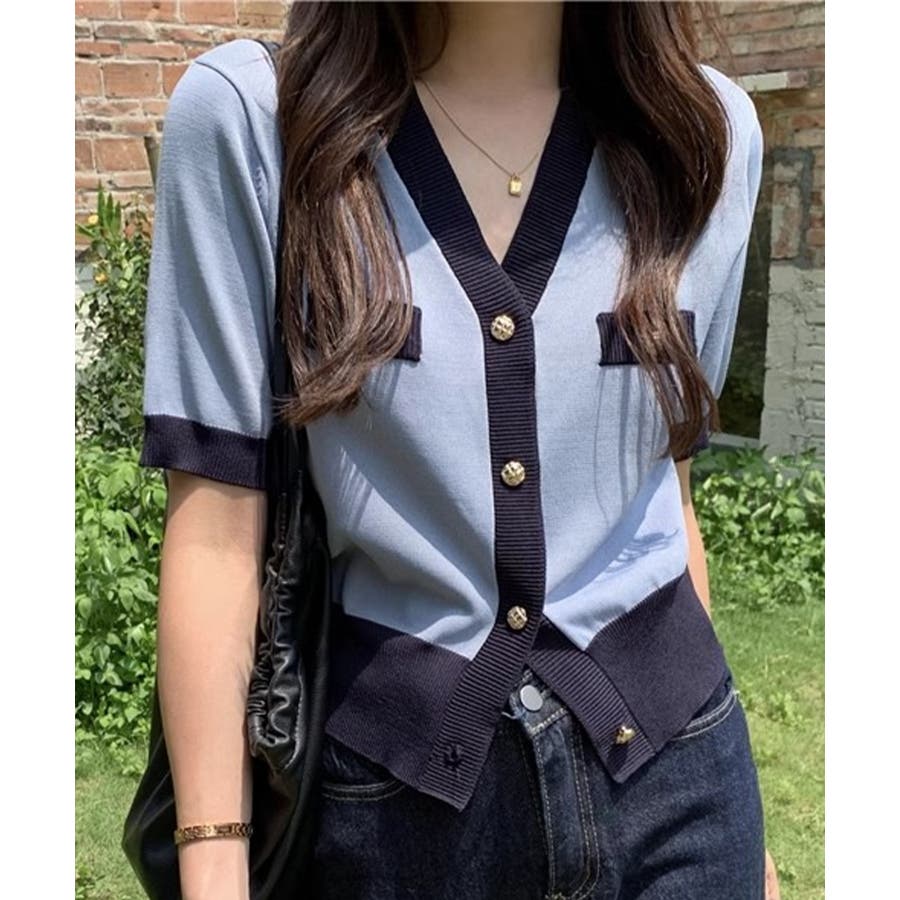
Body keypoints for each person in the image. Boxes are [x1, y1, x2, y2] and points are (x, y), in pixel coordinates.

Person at [138, 2, 781, 898]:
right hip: (394, 818)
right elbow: (216, 526)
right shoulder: (255, 120)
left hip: (683, 795)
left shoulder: (706, 134)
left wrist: (741, 843)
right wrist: (214, 860)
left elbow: (666, 491)